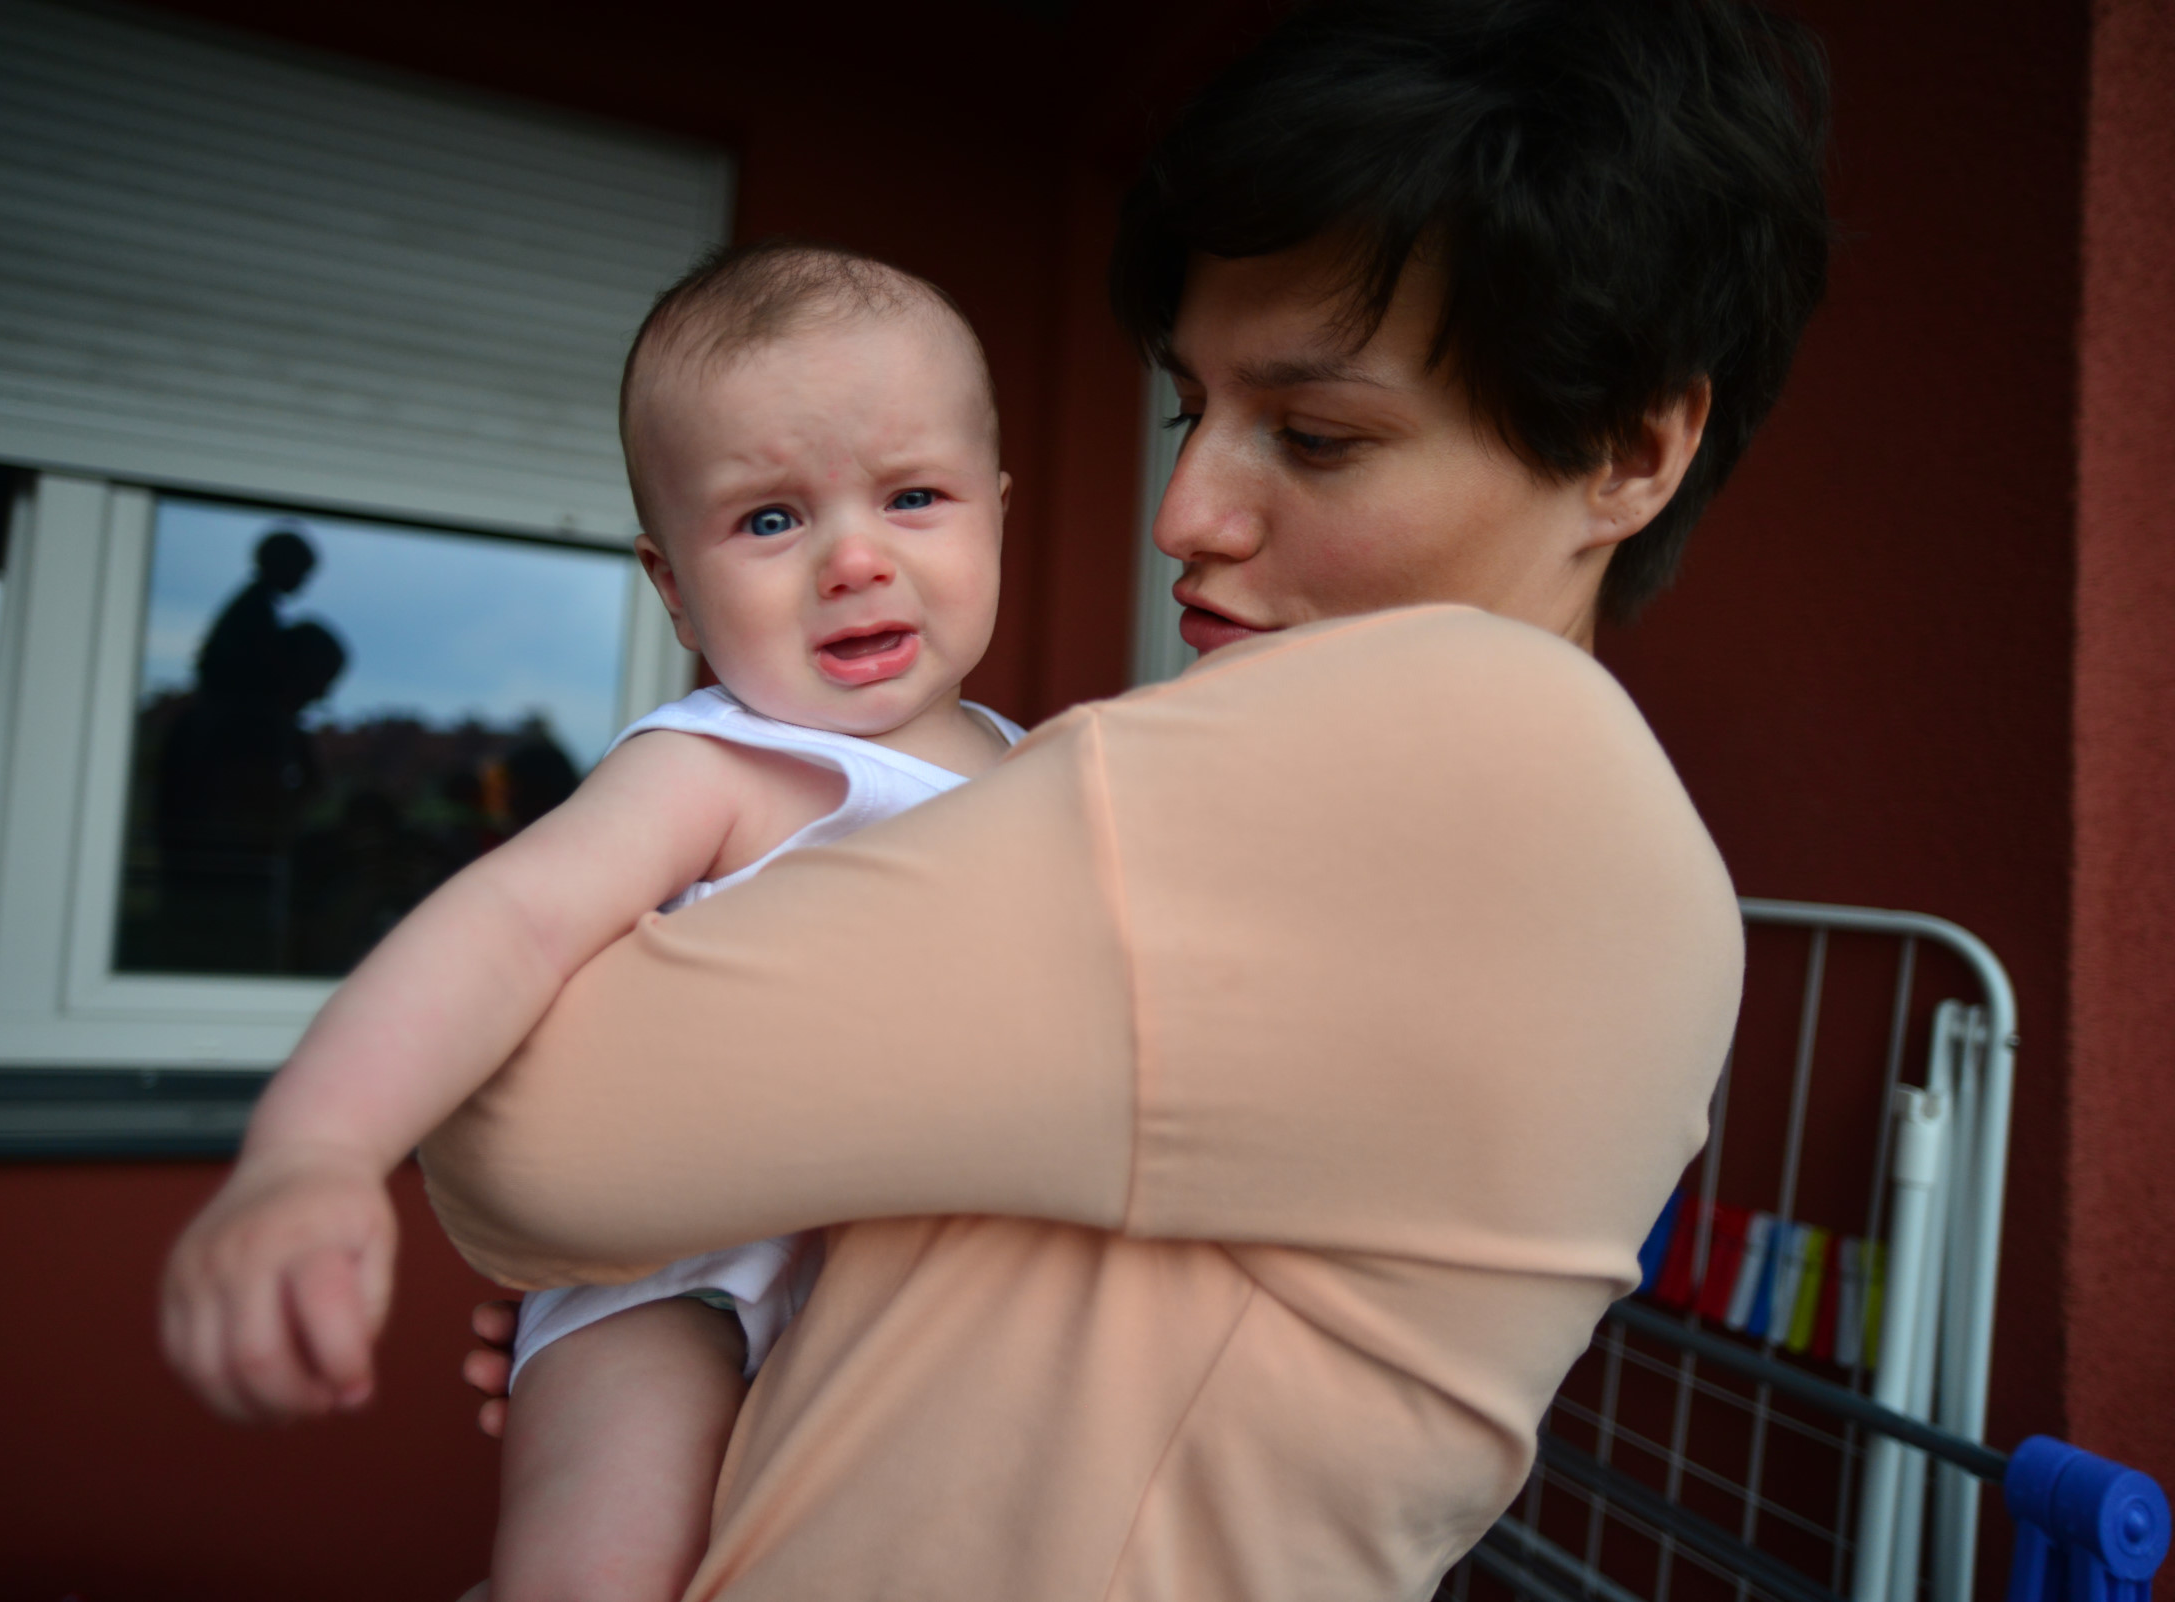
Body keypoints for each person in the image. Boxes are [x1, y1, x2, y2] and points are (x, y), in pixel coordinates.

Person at [425, 2, 1833, 1598]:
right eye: (1190, 408)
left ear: (1630, 449)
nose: (1186, 511)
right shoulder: (1618, 873)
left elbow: (516, 1135)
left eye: (1316, 435)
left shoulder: (1468, 742)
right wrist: (712, 1302)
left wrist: (640, 1253)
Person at [159, 243, 1023, 1601]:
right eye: (770, 520)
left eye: (913, 496)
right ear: (672, 587)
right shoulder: (714, 765)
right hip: (675, 1284)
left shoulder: (1042, 772)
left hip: (912, 1296)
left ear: (995, 514)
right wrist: (315, 1149)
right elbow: (502, 928)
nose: (856, 559)